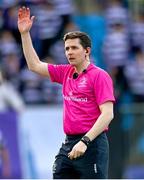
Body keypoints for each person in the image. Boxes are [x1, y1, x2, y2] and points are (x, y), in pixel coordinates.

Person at [17, 6, 115, 179]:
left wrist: (85, 141)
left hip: (92, 143)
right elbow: (34, 65)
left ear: (87, 51)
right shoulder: (65, 72)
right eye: (67, 48)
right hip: (69, 142)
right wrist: (25, 34)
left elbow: (107, 115)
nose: (69, 52)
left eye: (74, 48)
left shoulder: (100, 76)